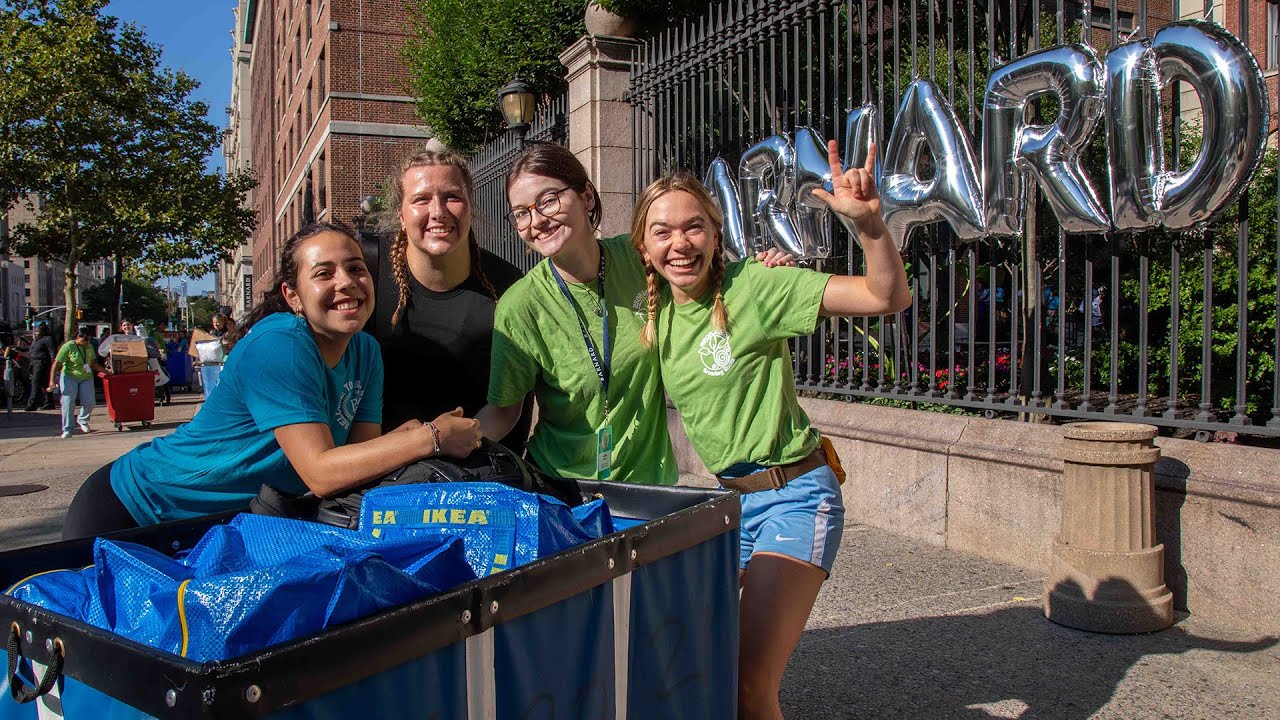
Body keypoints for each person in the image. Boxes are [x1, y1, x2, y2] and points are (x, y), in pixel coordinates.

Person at [629, 142, 910, 720]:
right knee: (687, 659)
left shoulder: (757, 287)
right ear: (644, 246)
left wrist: (870, 226)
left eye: (694, 228)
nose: (679, 244)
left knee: (750, 686)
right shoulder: (652, 319)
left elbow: (887, 296)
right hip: (728, 508)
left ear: (714, 232)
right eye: (663, 233)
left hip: (795, 496)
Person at [61, 222, 483, 540]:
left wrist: (406, 437)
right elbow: (320, 472)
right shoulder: (280, 343)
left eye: (356, 268)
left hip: (223, 526)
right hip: (135, 510)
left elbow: (356, 459)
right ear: (293, 295)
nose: (346, 282)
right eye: (324, 273)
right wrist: (430, 437)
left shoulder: (366, 350)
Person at [480, 143, 792, 484]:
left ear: (585, 196)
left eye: (548, 200)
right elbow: (504, 410)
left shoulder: (640, 259)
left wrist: (759, 270)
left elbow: (706, 277)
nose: (537, 220)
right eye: (521, 212)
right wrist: (439, 445)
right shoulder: (520, 306)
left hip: (649, 487)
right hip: (563, 490)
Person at [372, 148, 530, 449]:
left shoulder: (508, 286)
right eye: (421, 199)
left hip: (478, 464)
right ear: (401, 215)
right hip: (383, 470)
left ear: (470, 207)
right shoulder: (368, 271)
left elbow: (509, 406)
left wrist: (449, 457)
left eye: (452, 197)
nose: (438, 211)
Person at [48, 326, 108, 439]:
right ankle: (67, 429)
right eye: (84, 340)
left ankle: (83, 420)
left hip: (86, 376)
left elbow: (92, 363)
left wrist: (106, 372)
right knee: (68, 402)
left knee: (90, 401)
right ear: (77, 337)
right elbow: (56, 363)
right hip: (69, 376)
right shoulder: (68, 346)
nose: (86, 343)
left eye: (88, 340)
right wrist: (51, 381)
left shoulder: (89, 346)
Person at [24, 322, 57, 411]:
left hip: (42, 363)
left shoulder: (48, 339)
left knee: (36, 383)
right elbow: (32, 349)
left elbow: (52, 352)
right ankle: (48, 402)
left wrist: (54, 364)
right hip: (34, 363)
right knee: (44, 384)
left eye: (38, 330)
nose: (36, 332)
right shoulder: (38, 340)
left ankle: (32, 403)